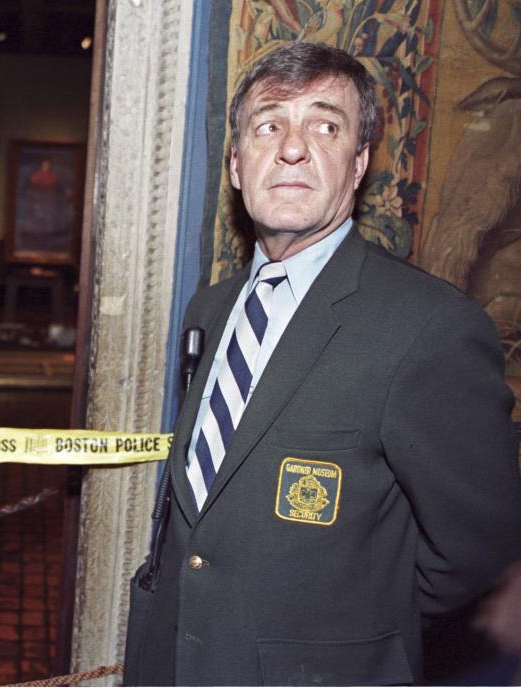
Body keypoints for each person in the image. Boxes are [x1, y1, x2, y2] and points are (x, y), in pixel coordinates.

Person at [123, 42, 521, 686]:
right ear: (235, 163)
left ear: (358, 164)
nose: (291, 147)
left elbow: (479, 555)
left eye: (325, 125)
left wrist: (345, 629)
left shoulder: (429, 328)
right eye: (269, 123)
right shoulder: (209, 309)